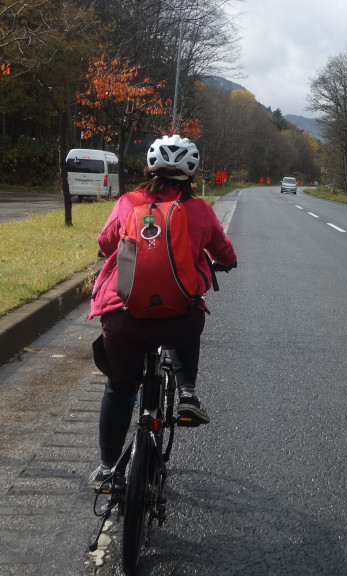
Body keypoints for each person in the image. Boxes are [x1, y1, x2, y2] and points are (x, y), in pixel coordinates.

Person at [86, 134, 237, 487]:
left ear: (150, 168)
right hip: (177, 321)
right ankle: (187, 392)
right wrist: (226, 262)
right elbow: (225, 252)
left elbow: (105, 242)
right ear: (191, 174)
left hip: (125, 318)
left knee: (118, 388)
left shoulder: (129, 203)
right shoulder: (199, 210)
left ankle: (109, 470)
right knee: (189, 317)